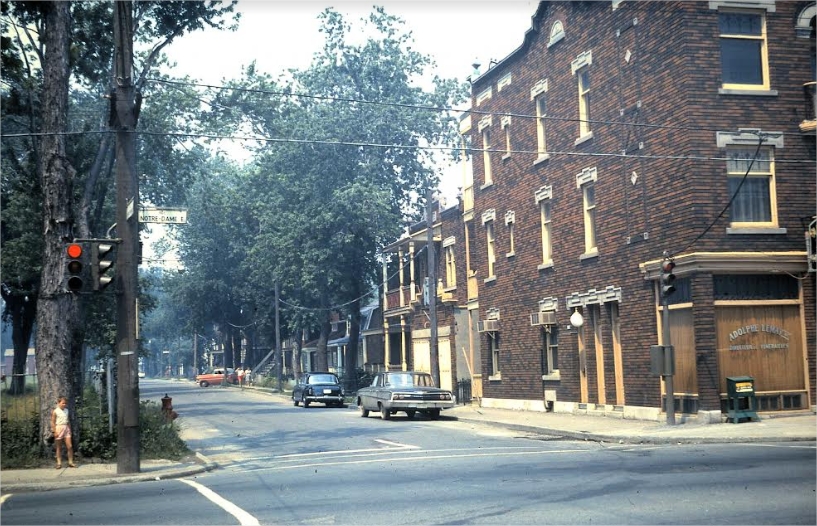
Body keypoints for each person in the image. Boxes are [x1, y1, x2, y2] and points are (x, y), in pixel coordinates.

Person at [50, 396, 76, 469]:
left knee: (70, 446)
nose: (64, 404)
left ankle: (70, 462)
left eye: (65, 403)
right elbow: (52, 422)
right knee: (59, 447)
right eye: (63, 403)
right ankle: (59, 463)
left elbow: (68, 421)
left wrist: (69, 429)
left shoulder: (66, 410)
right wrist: (54, 431)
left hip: (66, 428)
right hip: (59, 428)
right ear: (58, 403)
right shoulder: (55, 411)